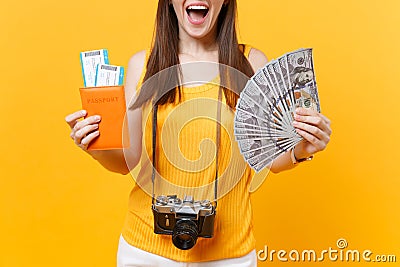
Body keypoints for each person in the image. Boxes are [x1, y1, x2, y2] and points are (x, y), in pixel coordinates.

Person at [65, 0, 332, 266]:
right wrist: (95, 146)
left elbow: (271, 160)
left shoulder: (249, 62)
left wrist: (301, 150)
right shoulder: (143, 64)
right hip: (145, 251)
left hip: (229, 253)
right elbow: (127, 162)